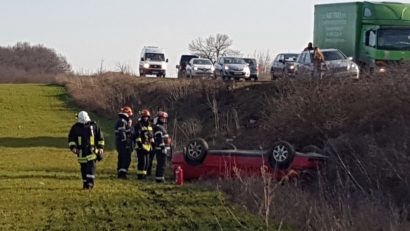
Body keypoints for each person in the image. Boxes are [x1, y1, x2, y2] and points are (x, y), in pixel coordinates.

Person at [68, 111, 105, 190]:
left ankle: (90, 184)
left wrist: (101, 147)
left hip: (92, 152)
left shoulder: (94, 126)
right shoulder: (76, 128)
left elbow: (100, 138)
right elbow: (71, 139)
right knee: (84, 169)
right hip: (81, 153)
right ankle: (85, 184)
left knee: (91, 168)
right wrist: (73, 148)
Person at [133, 109, 154, 179]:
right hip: (141, 147)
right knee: (142, 162)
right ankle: (140, 176)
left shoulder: (150, 126)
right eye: (144, 117)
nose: (146, 118)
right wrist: (140, 144)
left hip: (148, 147)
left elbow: (151, 136)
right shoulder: (138, 125)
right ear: (142, 117)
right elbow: (137, 135)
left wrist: (153, 144)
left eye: (147, 117)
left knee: (147, 163)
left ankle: (144, 176)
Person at [115, 106, 134, 179]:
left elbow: (126, 131)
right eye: (129, 113)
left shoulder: (122, 120)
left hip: (120, 142)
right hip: (123, 142)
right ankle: (122, 174)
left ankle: (120, 173)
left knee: (121, 157)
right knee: (126, 158)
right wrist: (125, 141)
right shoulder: (123, 121)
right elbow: (122, 132)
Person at [153, 111, 171, 183]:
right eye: (162, 118)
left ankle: (159, 178)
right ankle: (160, 179)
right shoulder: (158, 127)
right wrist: (163, 148)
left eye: (164, 118)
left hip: (163, 148)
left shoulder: (162, 127)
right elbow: (159, 139)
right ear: (159, 118)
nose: (164, 120)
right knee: (162, 164)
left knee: (161, 164)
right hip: (161, 148)